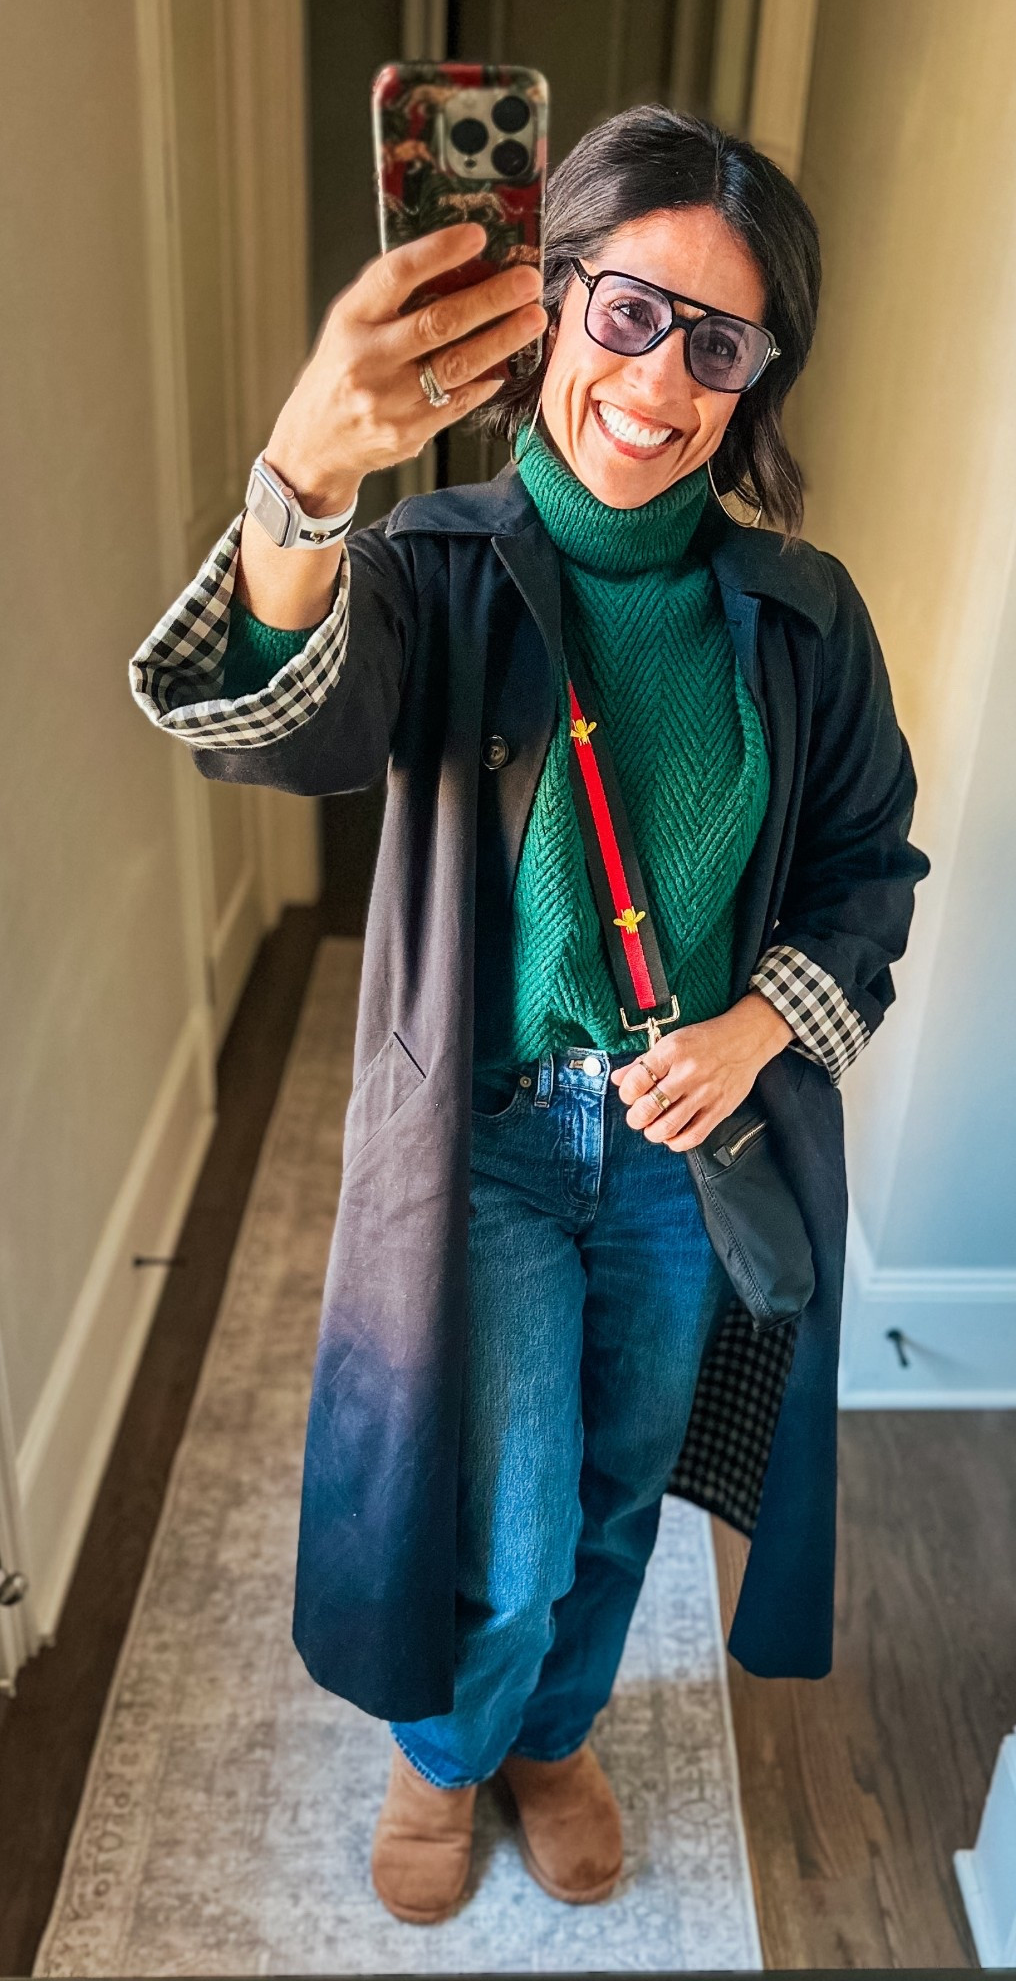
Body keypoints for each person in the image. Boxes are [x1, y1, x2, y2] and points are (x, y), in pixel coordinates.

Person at [129, 103, 929, 1925]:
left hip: (682, 1152)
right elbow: (274, 721)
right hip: (485, 1141)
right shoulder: (433, 567)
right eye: (630, 312)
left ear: (758, 382)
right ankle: (446, 1753)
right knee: (502, 1517)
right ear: (553, 298)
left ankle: (554, 1737)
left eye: (719, 346)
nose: (659, 382)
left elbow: (870, 868)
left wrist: (755, 1030)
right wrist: (301, 480)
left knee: (619, 1495)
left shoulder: (802, 616)